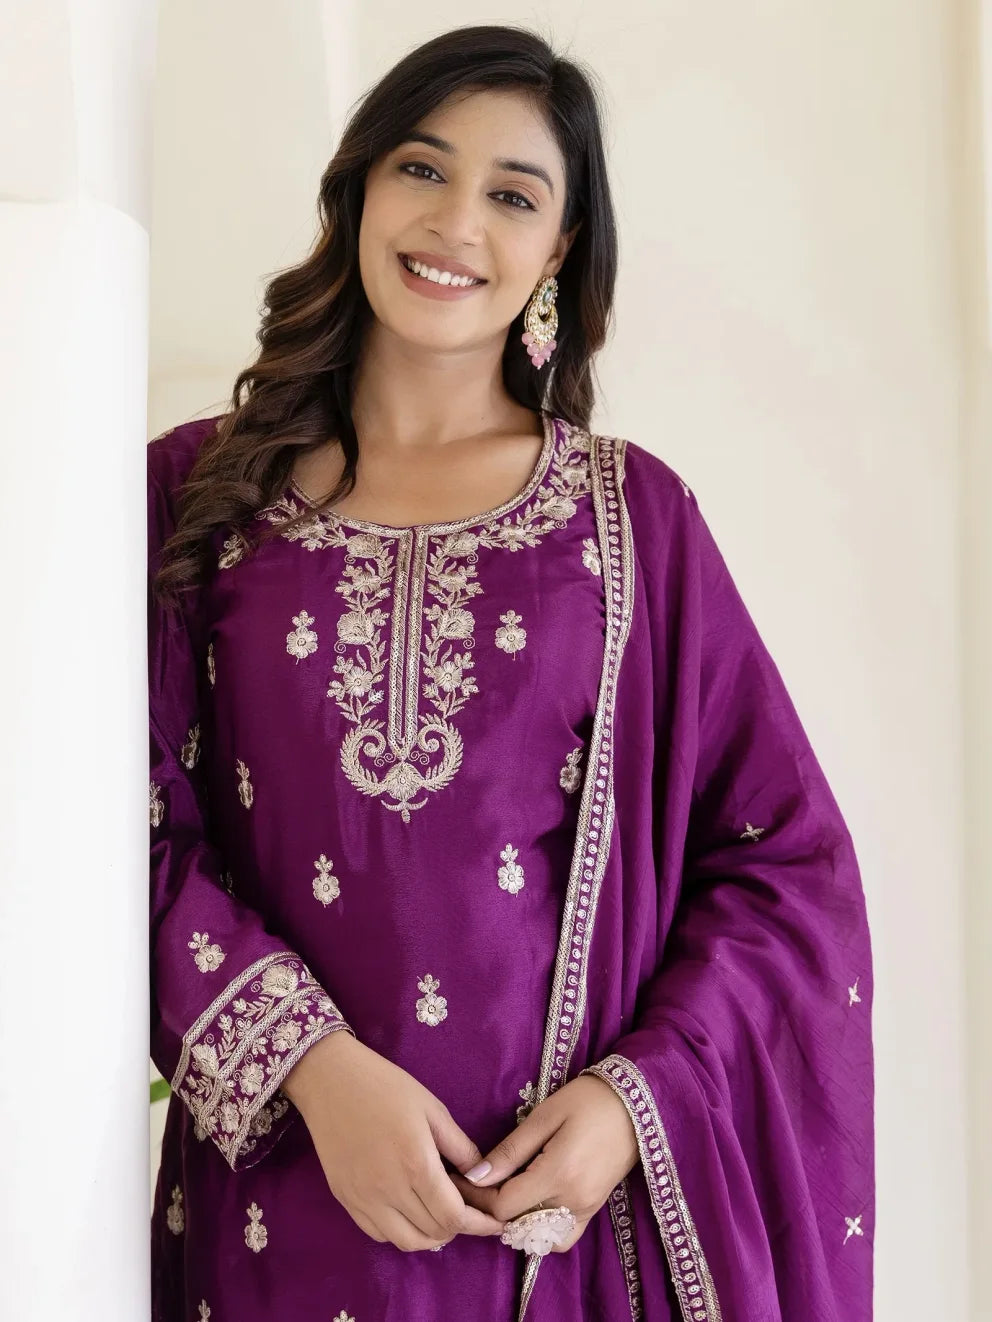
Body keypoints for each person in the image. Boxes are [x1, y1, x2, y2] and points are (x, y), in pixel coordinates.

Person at [149, 23, 875, 1322]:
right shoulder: (194, 495)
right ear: (359, 189)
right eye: (423, 170)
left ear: (558, 252)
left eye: (513, 195)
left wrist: (626, 1101)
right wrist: (309, 1064)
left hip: (553, 1239)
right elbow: (117, 828)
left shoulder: (631, 520)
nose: (457, 223)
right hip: (278, 1206)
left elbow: (783, 865)